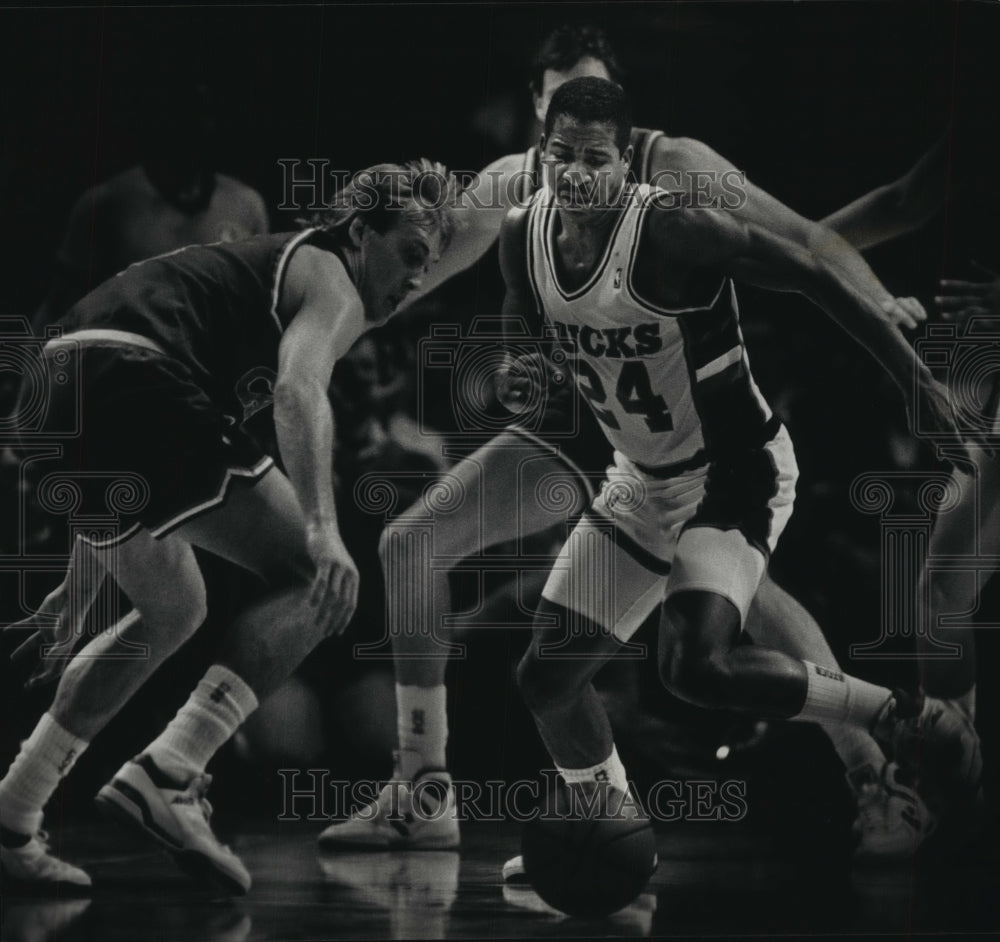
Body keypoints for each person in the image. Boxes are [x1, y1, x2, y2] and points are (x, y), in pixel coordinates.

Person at [319, 25, 937, 860]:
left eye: (595, 110)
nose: (575, 151)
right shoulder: (513, 196)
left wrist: (880, 310)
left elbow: (806, 247)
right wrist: (312, 311)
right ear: (537, 113)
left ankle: (873, 772)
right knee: (414, 544)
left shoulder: (674, 175)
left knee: (735, 604)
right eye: (559, 113)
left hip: (697, 424)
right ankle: (427, 792)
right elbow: (403, 271)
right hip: (588, 424)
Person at [492, 76, 980, 876]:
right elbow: (521, 311)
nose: (575, 174)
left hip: (734, 472)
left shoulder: (674, 230)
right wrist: (523, 361)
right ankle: (609, 829)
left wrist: (914, 381)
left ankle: (890, 716)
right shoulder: (523, 234)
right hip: (642, 477)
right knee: (545, 679)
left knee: (696, 667)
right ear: (541, 153)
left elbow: (813, 271)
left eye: (595, 159)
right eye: (561, 155)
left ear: (626, 163)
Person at [0, 160, 458, 894]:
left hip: (55, 394)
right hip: (127, 380)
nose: (412, 281)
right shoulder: (329, 274)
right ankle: (173, 770)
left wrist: (79, 576)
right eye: (408, 255)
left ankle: (12, 815)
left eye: (428, 268)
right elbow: (298, 388)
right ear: (360, 232)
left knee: (172, 608)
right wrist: (321, 526)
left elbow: (114, 426)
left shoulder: (243, 285)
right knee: (315, 577)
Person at [32, 79, 270, 333]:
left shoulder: (246, 205)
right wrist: (26, 367)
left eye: (204, 115)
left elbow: (260, 307)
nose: (196, 127)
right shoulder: (104, 205)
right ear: (160, 122)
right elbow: (60, 305)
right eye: (183, 114)